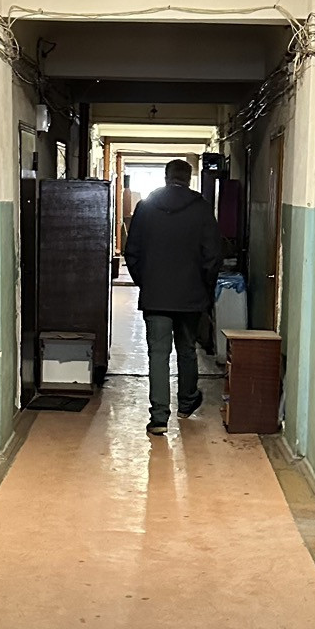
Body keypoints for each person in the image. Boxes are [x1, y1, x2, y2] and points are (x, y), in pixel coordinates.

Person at [123, 159, 224, 437]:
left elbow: (132, 252)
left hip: (156, 295)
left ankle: (158, 417)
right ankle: (187, 403)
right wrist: (204, 288)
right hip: (191, 295)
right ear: (189, 178)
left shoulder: (146, 207)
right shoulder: (202, 208)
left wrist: (146, 282)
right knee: (187, 349)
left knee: (158, 354)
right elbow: (213, 255)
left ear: (166, 177)